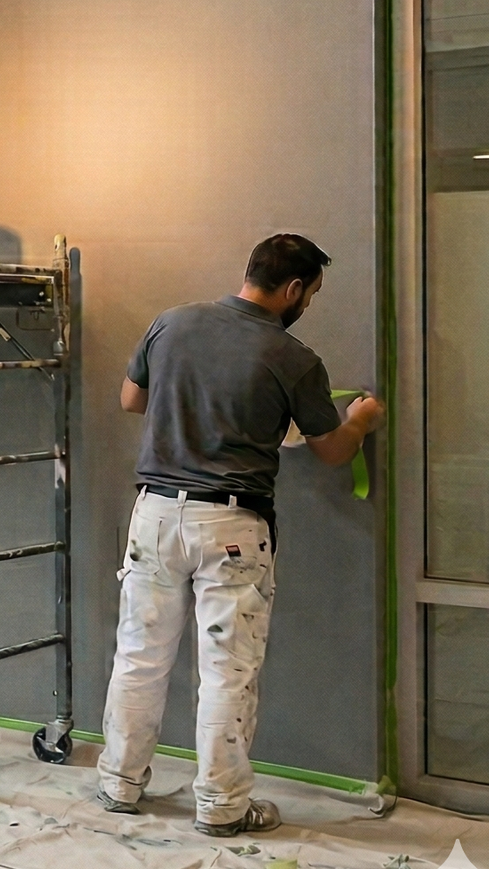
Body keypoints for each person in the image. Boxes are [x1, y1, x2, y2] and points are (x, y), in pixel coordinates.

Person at [97, 234, 383, 835]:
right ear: (293, 289)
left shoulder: (172, 323)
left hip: (154, 517)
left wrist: (194, 407)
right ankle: (223, 807)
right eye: (311, 294)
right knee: (227, 672)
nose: (308, 305)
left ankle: (120, 784)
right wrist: (359, 421)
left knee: (139, 657)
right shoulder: (293, 358)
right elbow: (332, 451)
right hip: (230, 526)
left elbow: (131, 399)